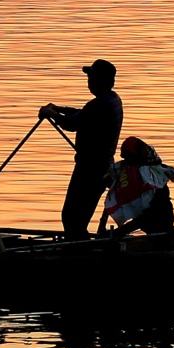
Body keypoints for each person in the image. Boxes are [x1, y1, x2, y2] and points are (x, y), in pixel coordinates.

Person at [39, 58, 123, 239]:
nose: (89, 82)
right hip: (101, 166)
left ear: (103, 81)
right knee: (76, 217)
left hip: (91, 169)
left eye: (92, 78)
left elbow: (73, 123)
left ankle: (78, 252)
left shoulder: (100, 104)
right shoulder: (112, 100)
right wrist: (57, 108)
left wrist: (51, 114)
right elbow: (82, 113)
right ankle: (80, 246)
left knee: (71, 217)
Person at [104, 136, 174, 236]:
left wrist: (122, 231)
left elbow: (150, 215)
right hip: (149, 225)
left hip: (161, 225)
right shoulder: (129, 176)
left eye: (129, 158)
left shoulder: (153, 180)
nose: (125, 162)